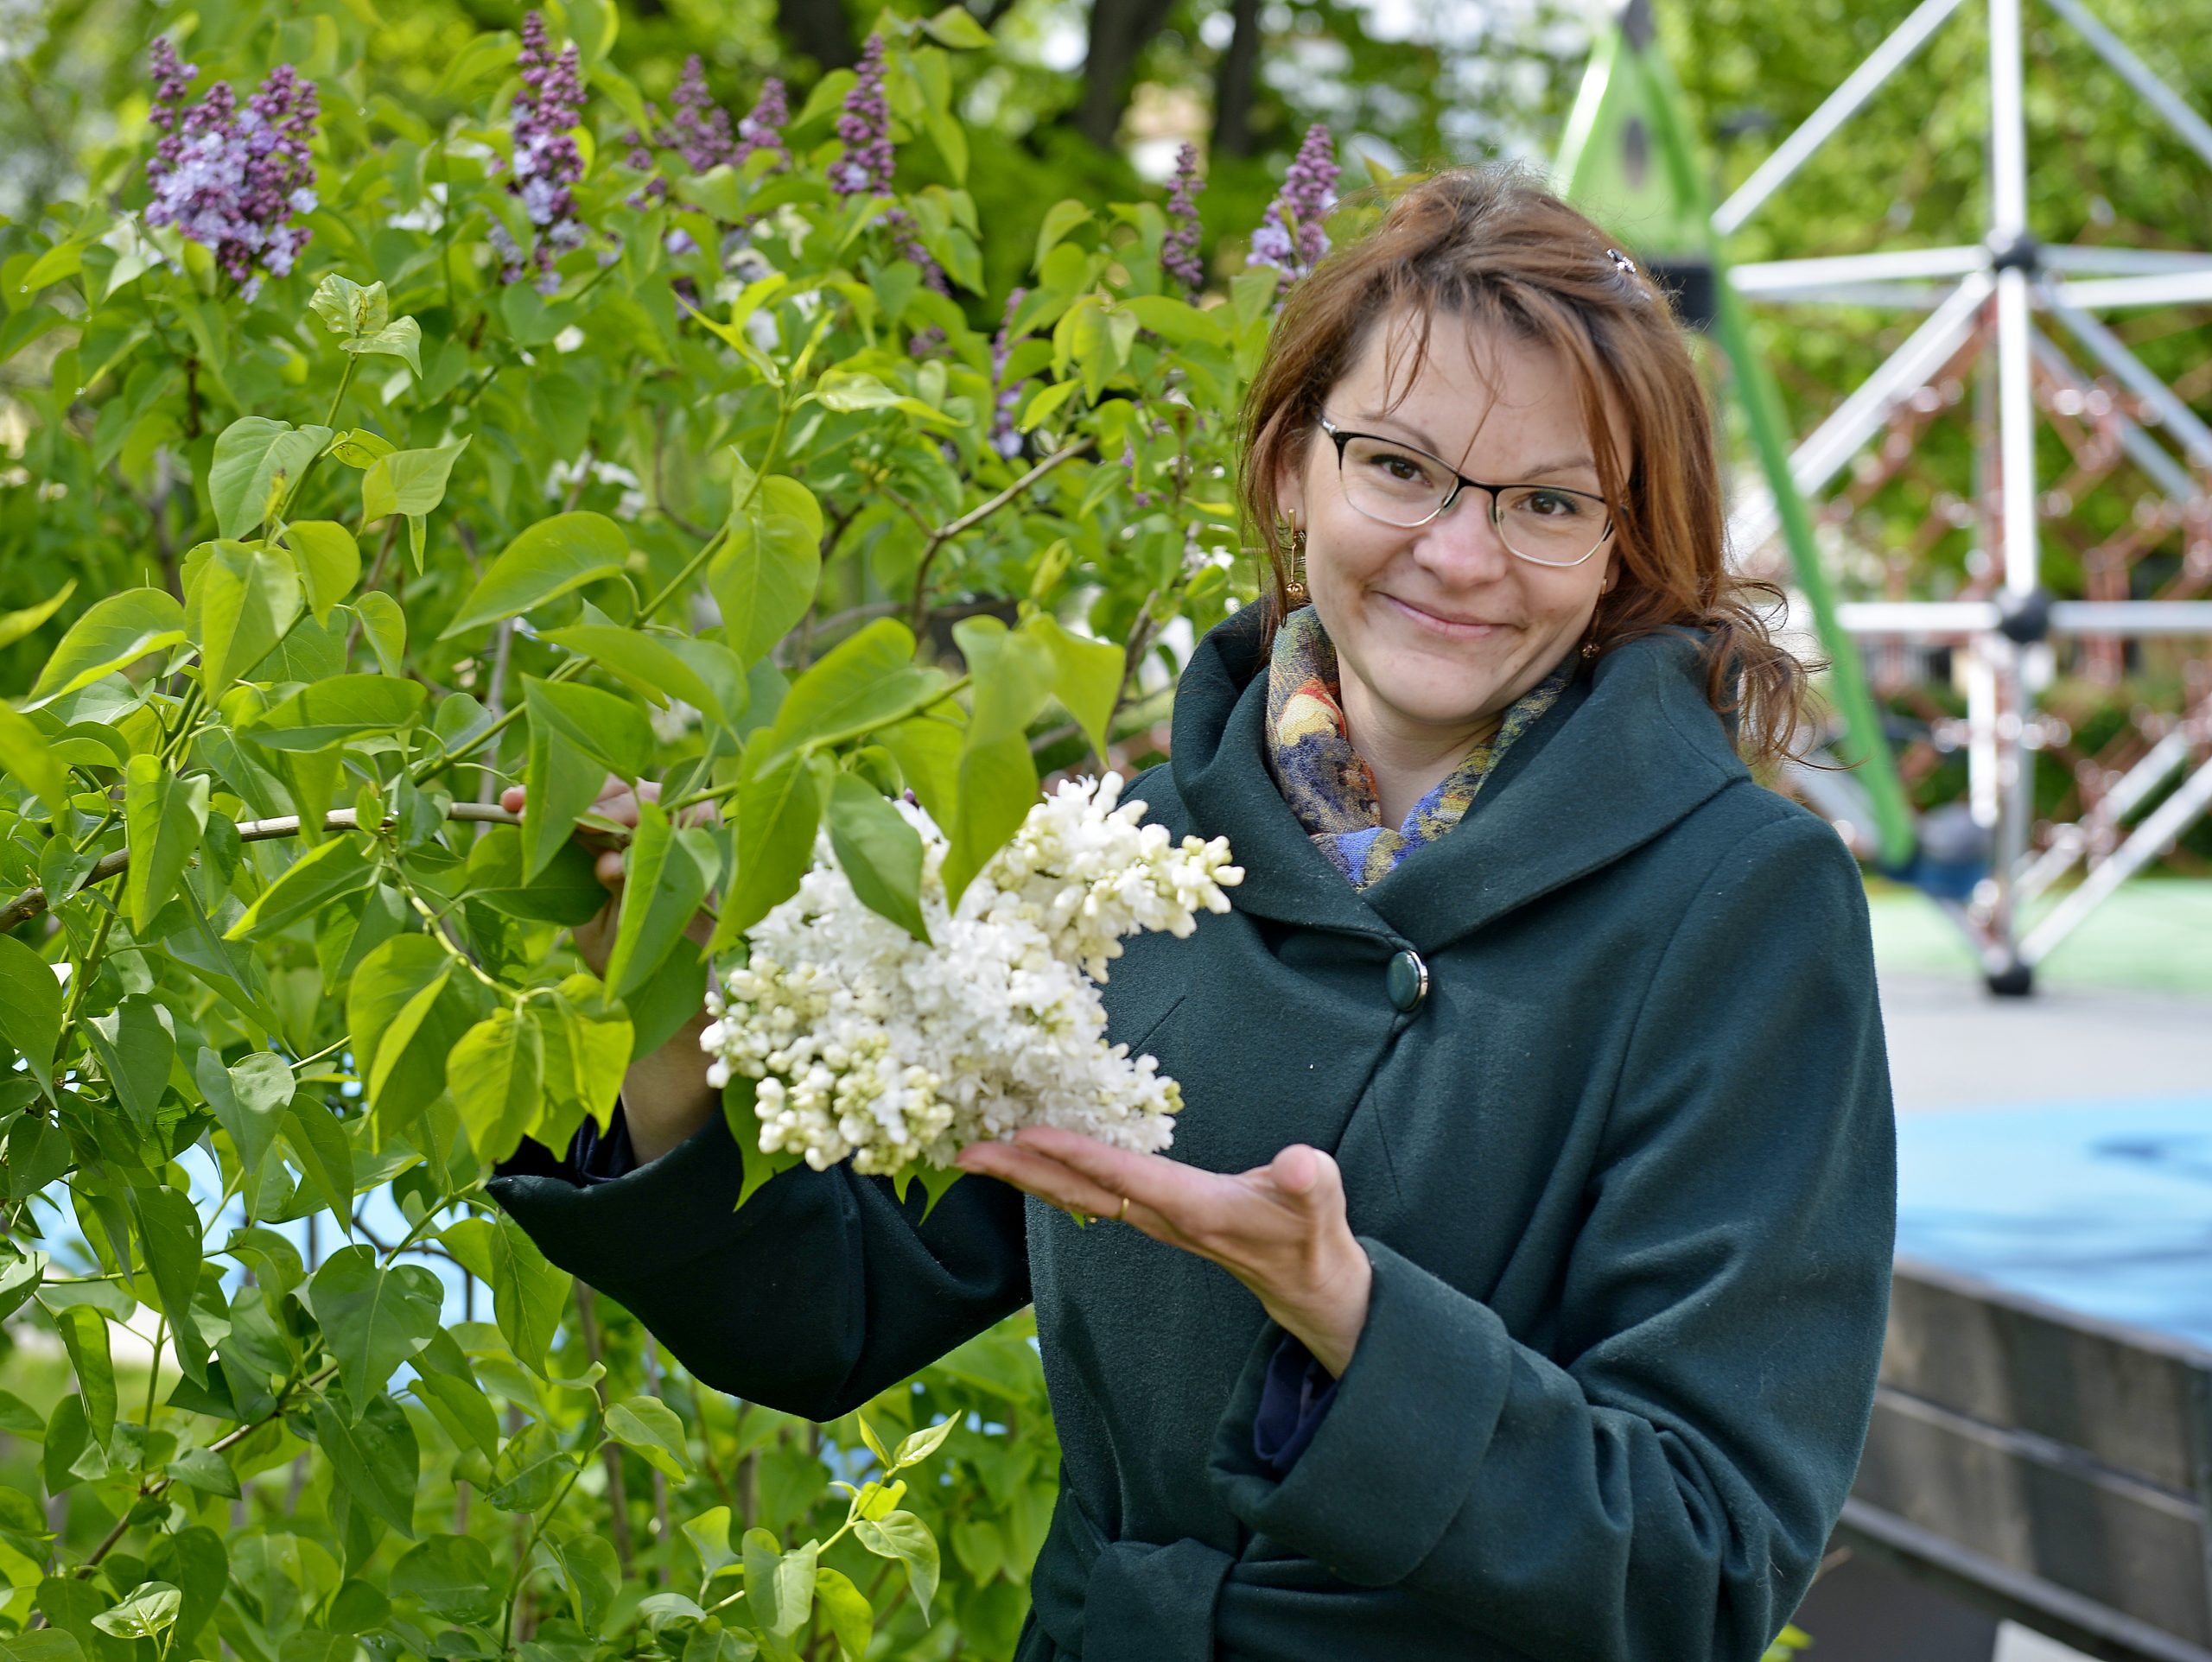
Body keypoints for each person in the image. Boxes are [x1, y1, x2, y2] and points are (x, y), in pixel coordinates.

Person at [488, 163, 1896, 1662]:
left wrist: (1350, 1317)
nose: (1463, 552)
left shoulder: (1738, 902)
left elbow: (1710, 1560)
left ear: (1622, 543)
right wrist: (660, 1009)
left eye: (1549, 502)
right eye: (1400, 468)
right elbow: (824, 1317)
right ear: (1295, 466)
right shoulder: (1131, 856)